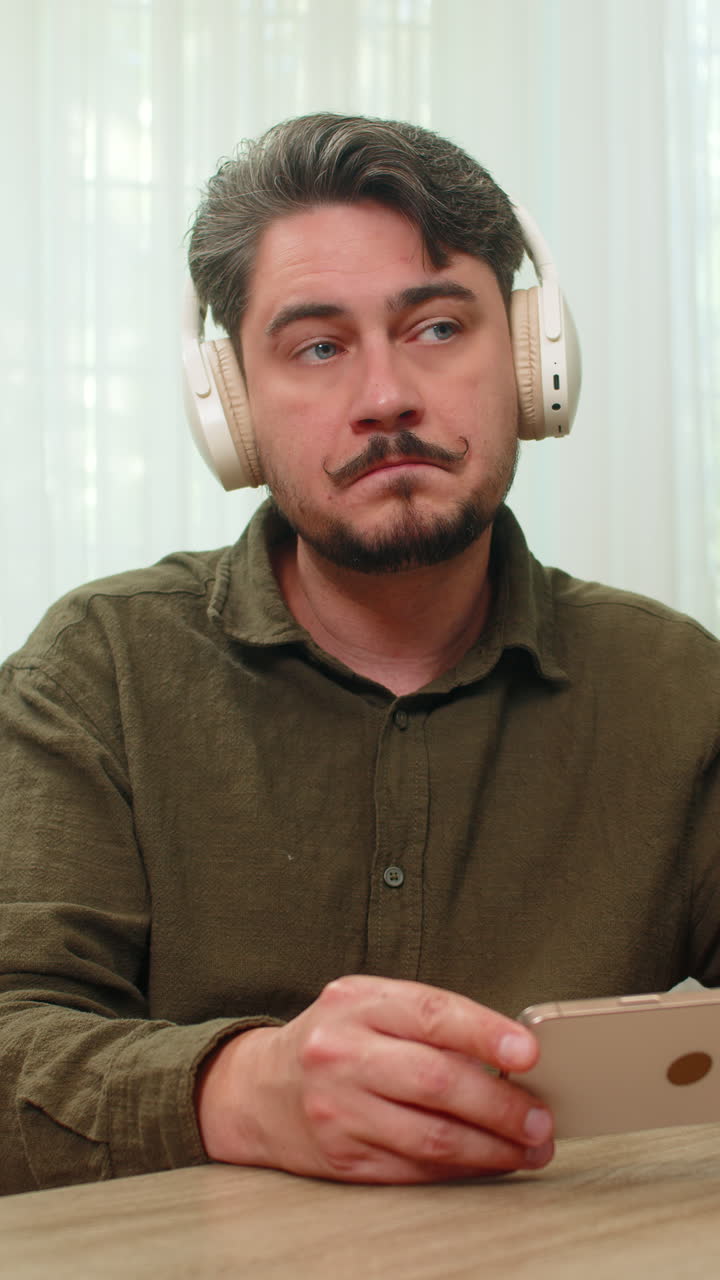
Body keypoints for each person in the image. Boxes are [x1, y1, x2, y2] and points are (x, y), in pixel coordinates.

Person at [2, 113, 720, 1198]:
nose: (385, 395)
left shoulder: (677, 688)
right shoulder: (98, 669)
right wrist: (236, 1086)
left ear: (534, 360)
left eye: (437, 328)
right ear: (231, 409)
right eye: (319, 346)